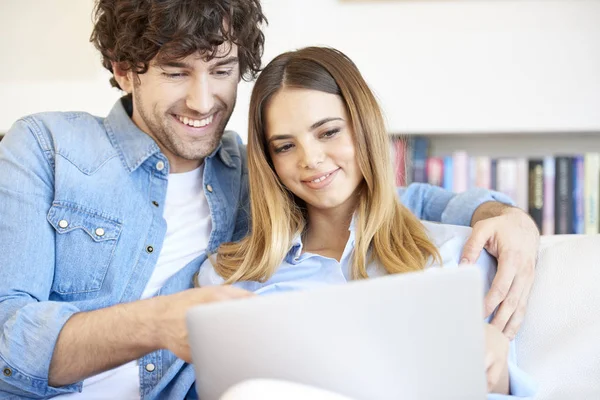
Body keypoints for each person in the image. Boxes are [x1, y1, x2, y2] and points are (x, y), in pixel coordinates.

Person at [0, 0, 537, 398]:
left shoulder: (252, 172)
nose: (203, 100)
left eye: (221, 70)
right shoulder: (48, 147)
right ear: (123, 70)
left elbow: (377, 193)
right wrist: (157, 322)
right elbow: (6, 334)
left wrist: (502, 212)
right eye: (174, 72)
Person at [198, 46, 536, 399]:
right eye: (285, 146)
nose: (310, 159)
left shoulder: (454, 257)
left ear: (364, 125)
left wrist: (493, 364)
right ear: (269, 161)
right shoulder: (229, 280)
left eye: (328, 132)